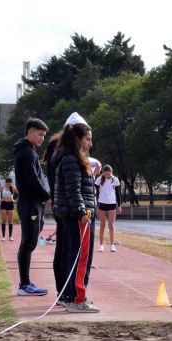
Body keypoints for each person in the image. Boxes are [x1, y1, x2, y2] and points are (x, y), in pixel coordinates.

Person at [53, 112, 99, 313]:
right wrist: (82, 212)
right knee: (80, 258)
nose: (90, 144)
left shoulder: (76, 158)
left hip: (78, 213)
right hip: (78, 215)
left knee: (78, 256)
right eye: (88, 139)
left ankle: (75, 296)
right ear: (78, 139)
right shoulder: (71, 159)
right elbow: (74, 190)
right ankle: (77, 298)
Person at [13, 117, 51, 296]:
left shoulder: (29, 151)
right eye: (39, 134)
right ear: (29, 132)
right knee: (28, 242)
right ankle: (24, 285)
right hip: (29, 204)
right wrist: (47, 197)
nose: (42, 138)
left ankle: (25, 282)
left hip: (33, 203)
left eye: (44, 136)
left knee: (31, 241)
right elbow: (32, 180)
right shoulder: (27, 152)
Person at [43, 130, 67, 304]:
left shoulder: (56, 152)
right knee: (64, 249)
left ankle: (63, 292)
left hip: (60, 204)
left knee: (63, 248)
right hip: (64, 206)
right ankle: (64, 292)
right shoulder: (60, 152)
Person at [95, 165, 122, 252]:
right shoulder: (99, 179)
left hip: (112, 204)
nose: (107, 176)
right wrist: (96, 200)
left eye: (109, 174)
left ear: (111, 173)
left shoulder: (115, 179)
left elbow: (118, 193)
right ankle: (101, 245)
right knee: (102, 225)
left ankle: (112, 245)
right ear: (103, 173)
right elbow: (94, 190)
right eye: (105, 174)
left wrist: (119, 205)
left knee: (111, 225)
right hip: (102, 203)